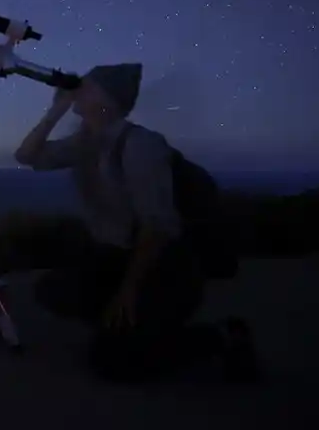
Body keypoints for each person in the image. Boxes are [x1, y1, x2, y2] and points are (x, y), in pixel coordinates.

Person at [14, 62, 259, 383]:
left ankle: (223, 336)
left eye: (87, 86)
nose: (77, 89)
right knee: (53, 291)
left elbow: (156, 226)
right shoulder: (87, 142)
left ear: (108, 101)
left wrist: (128, 290)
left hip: (165, 264)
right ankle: (124, 328)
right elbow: (27, 156)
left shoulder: (141, 146)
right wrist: (55, 110)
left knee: (113, 363)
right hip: (116, 256)